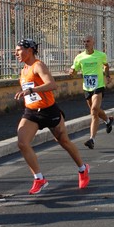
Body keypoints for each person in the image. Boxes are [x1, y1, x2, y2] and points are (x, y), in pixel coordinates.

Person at [15, 39, 90, 194]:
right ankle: (39, 178)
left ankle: (83, 169)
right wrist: (27, 94)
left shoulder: (38, 65)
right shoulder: (24, 69)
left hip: (49, 111)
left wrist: (31, 90)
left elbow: (52, 85)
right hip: (31, 112)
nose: (15, 53)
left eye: (18, 50)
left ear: (29, 50)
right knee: (22, 143)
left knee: (63, 141)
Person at [69, 35, 114, 149]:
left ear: (93, 42)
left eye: (88, 41)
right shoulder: (79, 57)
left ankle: (91, 139)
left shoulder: (101, 55)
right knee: (96, 110)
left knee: (94, 111)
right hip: (87, 87)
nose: (85, 43)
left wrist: (107, 76)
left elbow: (106, 65)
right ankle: (108, 121)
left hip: (98, 86)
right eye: (84, 41)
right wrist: (72, 72)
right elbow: (74, 70)